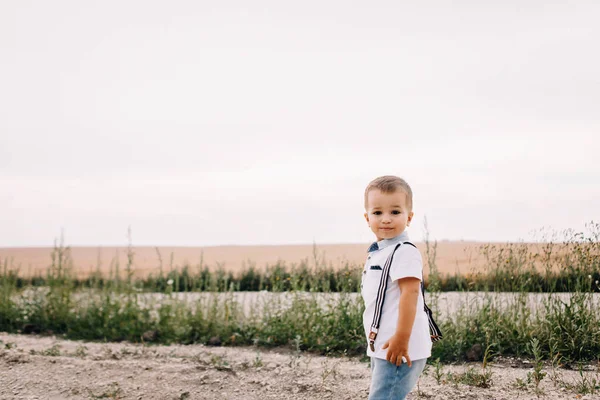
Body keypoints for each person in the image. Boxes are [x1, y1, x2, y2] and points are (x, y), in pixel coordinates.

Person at [361, 175, 432, 400]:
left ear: (409, 217)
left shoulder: (404, 251)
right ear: (367, 218)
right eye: (377, 212)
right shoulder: (379, 252)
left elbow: (410, 294)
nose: (386, 220)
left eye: (395, 212)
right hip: (383, 344)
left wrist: (402, 338)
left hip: (400, 344)